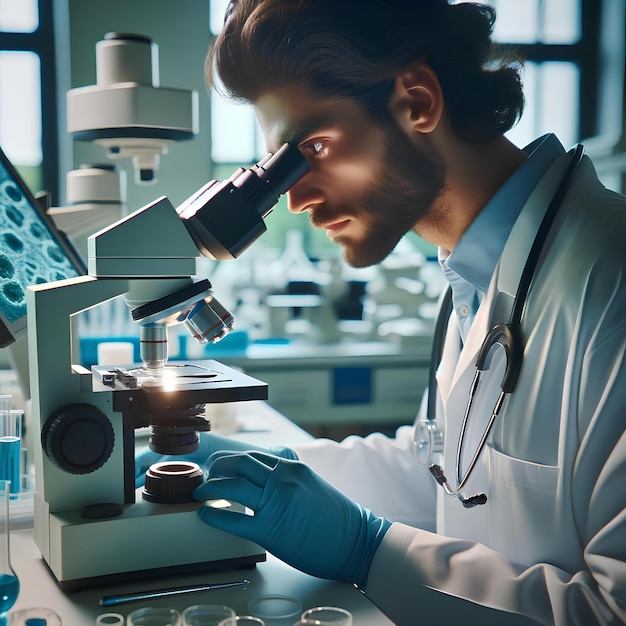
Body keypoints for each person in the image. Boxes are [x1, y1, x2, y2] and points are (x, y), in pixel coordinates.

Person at [136, 1, 626, 624]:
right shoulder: (477, 272)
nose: (294, 199)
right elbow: (445, 475)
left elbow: (612, 611)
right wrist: (264, 471)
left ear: (417, 100)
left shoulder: (611, 276)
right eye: (279, 169)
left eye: (312, 147)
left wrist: (367, 550)